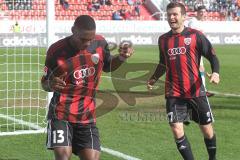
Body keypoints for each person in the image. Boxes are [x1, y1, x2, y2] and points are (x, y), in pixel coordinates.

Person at [41, 15, 134, 160]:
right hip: (61, 113)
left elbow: (108, 66)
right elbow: (44, 84)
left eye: (90, 40)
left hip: (87, 115)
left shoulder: (100, 43)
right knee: (62, 157)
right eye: (83, 39)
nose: (87, 43)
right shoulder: (56, 50)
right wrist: (51, 84)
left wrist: (121, 58)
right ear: (73, 31)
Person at [147, 2, 219, 160]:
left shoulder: (195, 35)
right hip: (174, 93)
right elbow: (162, 63)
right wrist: (153, 78)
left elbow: (212, 56)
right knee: (176, 129)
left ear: (184, 17)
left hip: (195, 91)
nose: (171, 17)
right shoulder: (163, 40)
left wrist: (215, 73)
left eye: (175, 14)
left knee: (207, 130)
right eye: (169, 14)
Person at [188, 5, 215, 97]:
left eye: (204, 12)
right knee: (199, 69)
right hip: (193, 48)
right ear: (197, 12)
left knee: (199, 69)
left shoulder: (200, 22)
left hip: (199, 48)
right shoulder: (193, 22)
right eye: (201, 12)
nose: (203, 14)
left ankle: (201, 89)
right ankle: (201, 90)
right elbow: (192, 35)